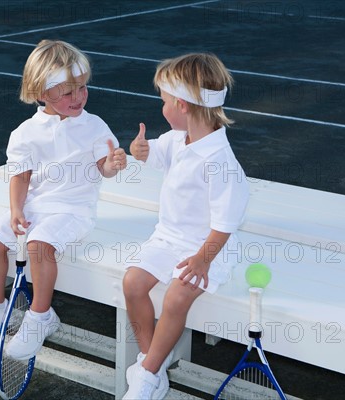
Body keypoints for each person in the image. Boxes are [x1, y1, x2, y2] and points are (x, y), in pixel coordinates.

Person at [0, 40, 127, 361]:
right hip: (36, 208)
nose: (78, 97)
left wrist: (112, 164)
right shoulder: (25, 132)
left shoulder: (94, 126)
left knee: (38, 245)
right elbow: (20, 176)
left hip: (75, 211)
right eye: (67, 92)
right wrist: (16, 210)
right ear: (41, 94)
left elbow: (102, 169)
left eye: (82, 88)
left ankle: (41, 316)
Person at [122, 53, 249, 399]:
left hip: (208, 248)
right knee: (133, 283)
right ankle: (154, 363)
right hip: (168, 238)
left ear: (181, 105)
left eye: (163, 101)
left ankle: (146, 375)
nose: (161, 107)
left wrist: (203, 259)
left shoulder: (220, 163)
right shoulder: (178, 139)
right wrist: (141, 151)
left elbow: (224, 225)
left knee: (177, 297)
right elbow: (157, 155)